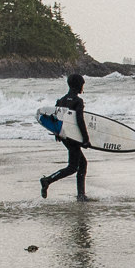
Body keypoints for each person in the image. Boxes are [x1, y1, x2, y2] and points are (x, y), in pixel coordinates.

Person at [40, 72, 92, 200]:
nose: (82, 88)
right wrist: (85, 139)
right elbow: (80, 121)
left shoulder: (61, 100)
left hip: (64, 136)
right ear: (79, 85)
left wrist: (57, 134)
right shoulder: (78, 101)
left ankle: (81, 195)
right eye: (82, 85)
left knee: (82, 163)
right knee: (73, 167)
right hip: (73, 137)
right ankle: (47, 180)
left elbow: (56, 120)